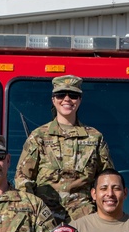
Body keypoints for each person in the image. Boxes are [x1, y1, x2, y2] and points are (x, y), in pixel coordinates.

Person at [15, 75, 113, 223]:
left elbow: (107, 178)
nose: (67, 99)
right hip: (45, 219)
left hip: (84, 218)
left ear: (80, 100)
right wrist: (31, 213)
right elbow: (23, 179)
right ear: (53, 100)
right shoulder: (39, 137)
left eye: (73, 95)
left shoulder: (94, 138)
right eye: (61, 95)